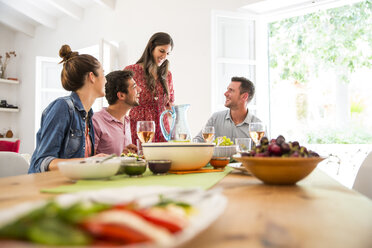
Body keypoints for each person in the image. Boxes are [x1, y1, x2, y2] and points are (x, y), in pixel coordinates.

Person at [29, 45, 107, 173]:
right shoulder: (63, 107)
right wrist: (89, 162)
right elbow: (43, 162)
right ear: (92, 77)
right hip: (46, 186)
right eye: (103, 74)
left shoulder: (88, 115)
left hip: (74, 185)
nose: (106, 80)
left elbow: (82, 161)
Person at [124, 32, 175, 143]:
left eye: (167, 53)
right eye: (161, 51)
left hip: (163, 129)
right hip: (140, 128)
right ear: (152, 46)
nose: (164, 56)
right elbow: (122, 101)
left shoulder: (167, 75)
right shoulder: (132, 71)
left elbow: (170, 104)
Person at [194, 76, 261, 142]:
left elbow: (264, 151)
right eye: (227, 90)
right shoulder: (215, 118)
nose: (225, 94)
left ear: (244, 96)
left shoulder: (258, 126)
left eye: (231, 90)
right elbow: (198, 141)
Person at [93, 70, 141, 156]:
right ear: (121, 95)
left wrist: (127, 155)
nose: (139, 90)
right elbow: (89, 161)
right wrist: (119, 158)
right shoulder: (95, 121)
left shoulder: (127, 120)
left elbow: (121, 156)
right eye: (134, 87)